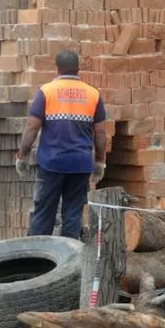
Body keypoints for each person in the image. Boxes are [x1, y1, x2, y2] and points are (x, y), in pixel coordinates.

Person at [14, 50, 108, 240]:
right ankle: (70, 260)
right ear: (78, 68)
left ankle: (36, 257)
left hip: (51, 163)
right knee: (73, 214)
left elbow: (32, 127)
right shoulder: (93, 94)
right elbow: (100, 132)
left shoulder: (46, 92)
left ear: (57, 69)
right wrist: (99, 161)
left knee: (43, 212)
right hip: (80, 164)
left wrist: (22, 155)